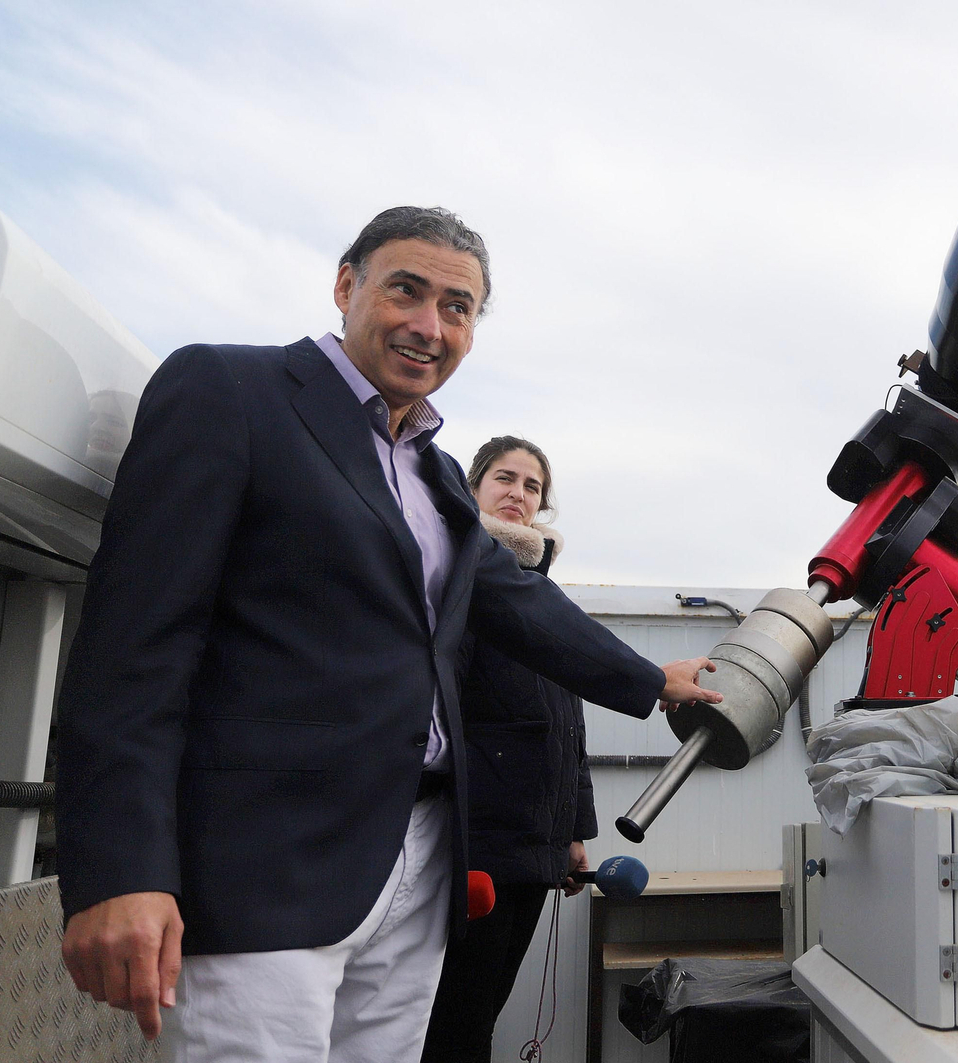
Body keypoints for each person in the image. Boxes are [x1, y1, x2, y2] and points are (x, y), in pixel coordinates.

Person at [54, 206, 722, 1063]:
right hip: (269, 865)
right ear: (346, 285)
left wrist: (651, 681)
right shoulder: (228, 392)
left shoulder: (435, 470)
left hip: (422, 862)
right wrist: (119, 868)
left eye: (458, 307)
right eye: (407, 290)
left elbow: (516, 601)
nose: (428, 324)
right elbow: (132, 646)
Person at [420, 436, 593, 1062]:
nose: (517, 494)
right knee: (455, 1018)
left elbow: (569, 728)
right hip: (475, 843)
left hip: (534, 844)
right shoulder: (454, 577)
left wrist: (573, 831)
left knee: (486, 1009)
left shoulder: (545, 597)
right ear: (473, 487)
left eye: (532, 486)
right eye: (504, 478)